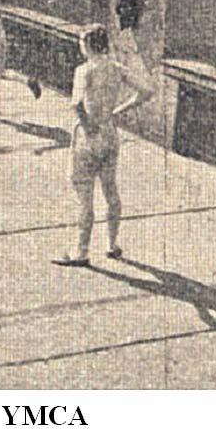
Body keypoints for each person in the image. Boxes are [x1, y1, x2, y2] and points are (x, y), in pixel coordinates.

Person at [53, 24, 153, 267]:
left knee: (84, 195)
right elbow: (146, 91)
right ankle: (111, 245)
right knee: (110, 190)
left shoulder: (84, 70)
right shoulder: (117, 68)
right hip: (109, 133)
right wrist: (118, 111)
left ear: (88, 45)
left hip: (88, 137)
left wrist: (87, 126)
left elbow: (76, 103)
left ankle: (81, 251)